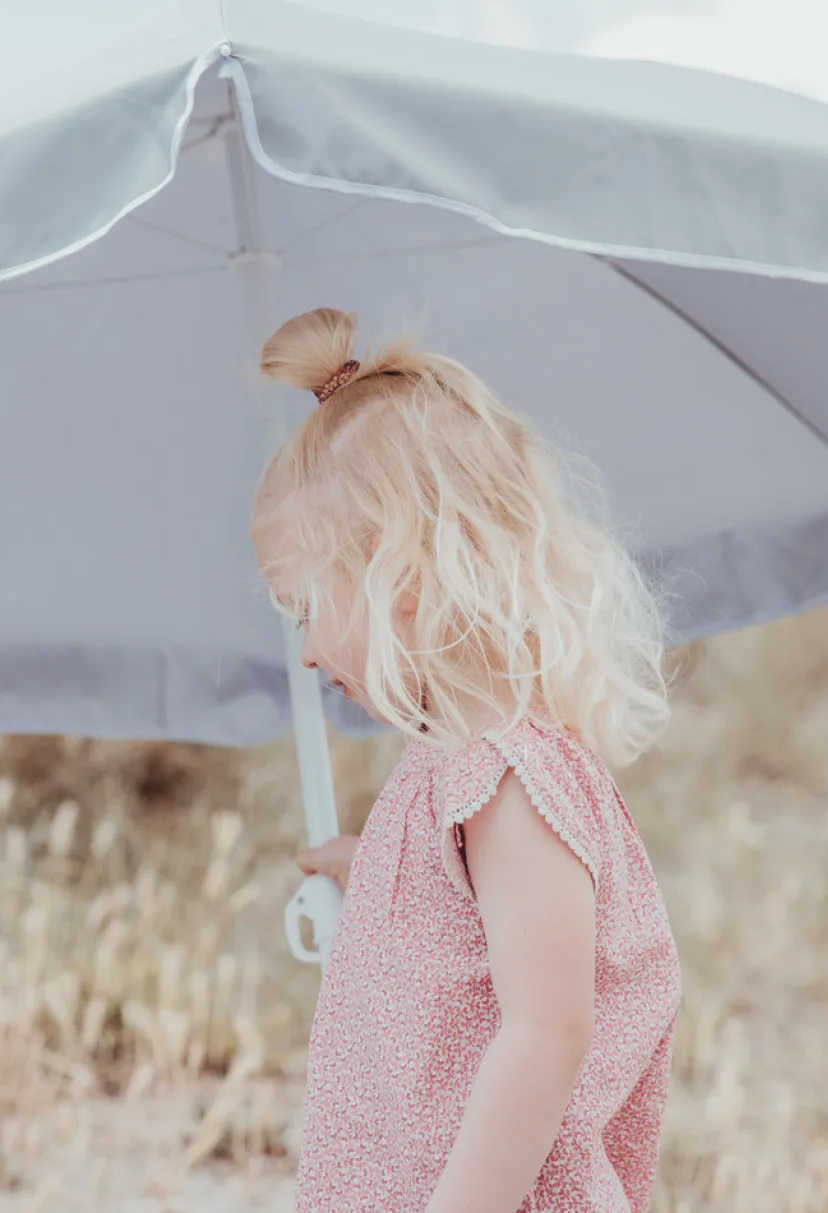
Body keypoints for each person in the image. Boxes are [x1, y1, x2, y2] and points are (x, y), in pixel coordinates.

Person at [251, 308, 683, 1213]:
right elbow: (476, 926)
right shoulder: (456, 768)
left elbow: (546, 1033)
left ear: (398, 578)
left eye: (308, 609)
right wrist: (379, 870)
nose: (308, 653)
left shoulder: (509, 780)